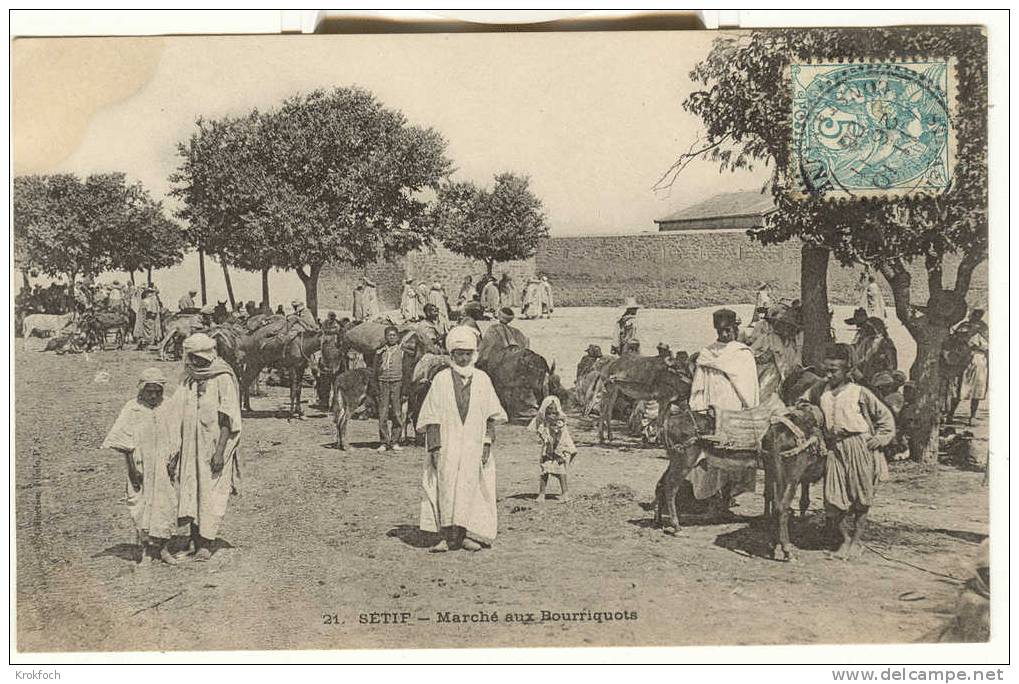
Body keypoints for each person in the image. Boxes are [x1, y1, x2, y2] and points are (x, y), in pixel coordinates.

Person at [416, 326, 507, 552]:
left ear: (473, 354)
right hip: (447, 444)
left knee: (472, 485)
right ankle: (446, 536)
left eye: (467, 353)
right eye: (459, 354)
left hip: (474, 444)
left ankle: (468, 534)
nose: (463, 358)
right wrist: (435, 447)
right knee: (445, 486)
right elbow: (432, 415)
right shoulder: (441, 380)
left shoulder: (483, 380)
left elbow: (490, 417)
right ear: (451, 355)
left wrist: (486, 444)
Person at [168, 333, 242, 562]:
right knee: (190, 488)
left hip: (213, 445)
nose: (194, 362)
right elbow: (175, 410)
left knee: (210, 492)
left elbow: (228, 416)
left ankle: (206, 542)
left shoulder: (222, 377)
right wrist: (174, 448)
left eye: (198, 357)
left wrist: (220, 451)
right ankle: (193, 538)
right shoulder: (187, 377)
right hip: (190, 443)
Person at [819, 343, 895, 559]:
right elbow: (804, 404)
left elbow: (885, 417)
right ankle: (844, 540)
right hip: (835, 447)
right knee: (833, 498)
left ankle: (856, 541)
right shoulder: (823, 393)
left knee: (861, 497)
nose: (829, 374)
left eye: (834, 371)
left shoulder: (859, 392)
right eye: (827, 370)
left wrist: (880, 439)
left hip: (859, 446)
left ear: (847, 371)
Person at [101, 368, 181, 565]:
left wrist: (173, 462)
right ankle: (146, 549)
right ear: (142, 389)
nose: (153, 395)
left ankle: (163, 548)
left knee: (166, 505)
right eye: (149, 391)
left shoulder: (169, 406)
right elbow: (124, 440)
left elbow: (177, 435)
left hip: (164, 466)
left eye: (158, 391)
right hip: (141, 465)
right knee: (141, 506)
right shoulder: (132, 408)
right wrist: (132, 469)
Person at [686, 308, 760, 512]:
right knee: (709, 456)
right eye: (720, 331)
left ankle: (727, 497)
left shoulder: (742, 354)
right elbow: (699, 382)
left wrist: (748, 410)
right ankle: (709, 498)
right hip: (711, 409)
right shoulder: (707, 352)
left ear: (735, 329)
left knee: (732, 455)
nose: (724, 335)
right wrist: (698, 406)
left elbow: (749, 385)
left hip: (734, 409)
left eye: (728, 330)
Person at [529, 395, 576, 502]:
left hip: (558, 450)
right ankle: (541, 493)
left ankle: (565, 493)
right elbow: (541, 434)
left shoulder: (559, 424)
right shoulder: (544, 425)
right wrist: (545, 437)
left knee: (561, 471)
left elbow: (562, 437)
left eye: (554, 413)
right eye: (548, 413)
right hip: (547, 451)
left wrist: (558, 446)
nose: (551, 416)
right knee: (544, 471)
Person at [374, 326, 405, 453]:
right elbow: (375, 368)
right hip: (383, 382)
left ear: (397, 337)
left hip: (397, 382)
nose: (391, 337)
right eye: (389, 335)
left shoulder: (402, 351)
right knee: (383, 413)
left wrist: (405, 388)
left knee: (397, 413)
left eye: (393, 335)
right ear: (385, 337)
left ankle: (395, 441)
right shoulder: (380, 351)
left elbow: (406, 370)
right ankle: (384, 442)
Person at [957, 317, 988, 426]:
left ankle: (972, 416)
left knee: (977, 389)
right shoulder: (964, 325)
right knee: (959, 387)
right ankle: (949, 414)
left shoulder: (984, 328)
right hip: (965, 359)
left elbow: (988, 345)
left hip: (980, 361)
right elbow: (959, 338)